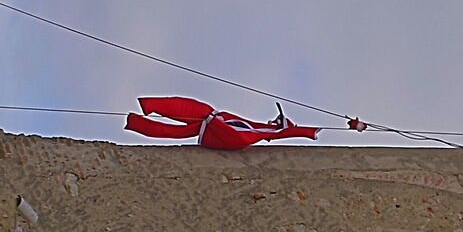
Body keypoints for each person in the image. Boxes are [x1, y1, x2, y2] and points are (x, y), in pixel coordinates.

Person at [125, 96, 321, 151]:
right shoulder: (261, 129)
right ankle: (141, 115)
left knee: (194, 113)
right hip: (219, 130)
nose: (272, 121)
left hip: (222, 132)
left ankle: (146, 109)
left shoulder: (266, 131)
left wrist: (310, 131)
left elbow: (287, 132)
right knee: (181, 126)